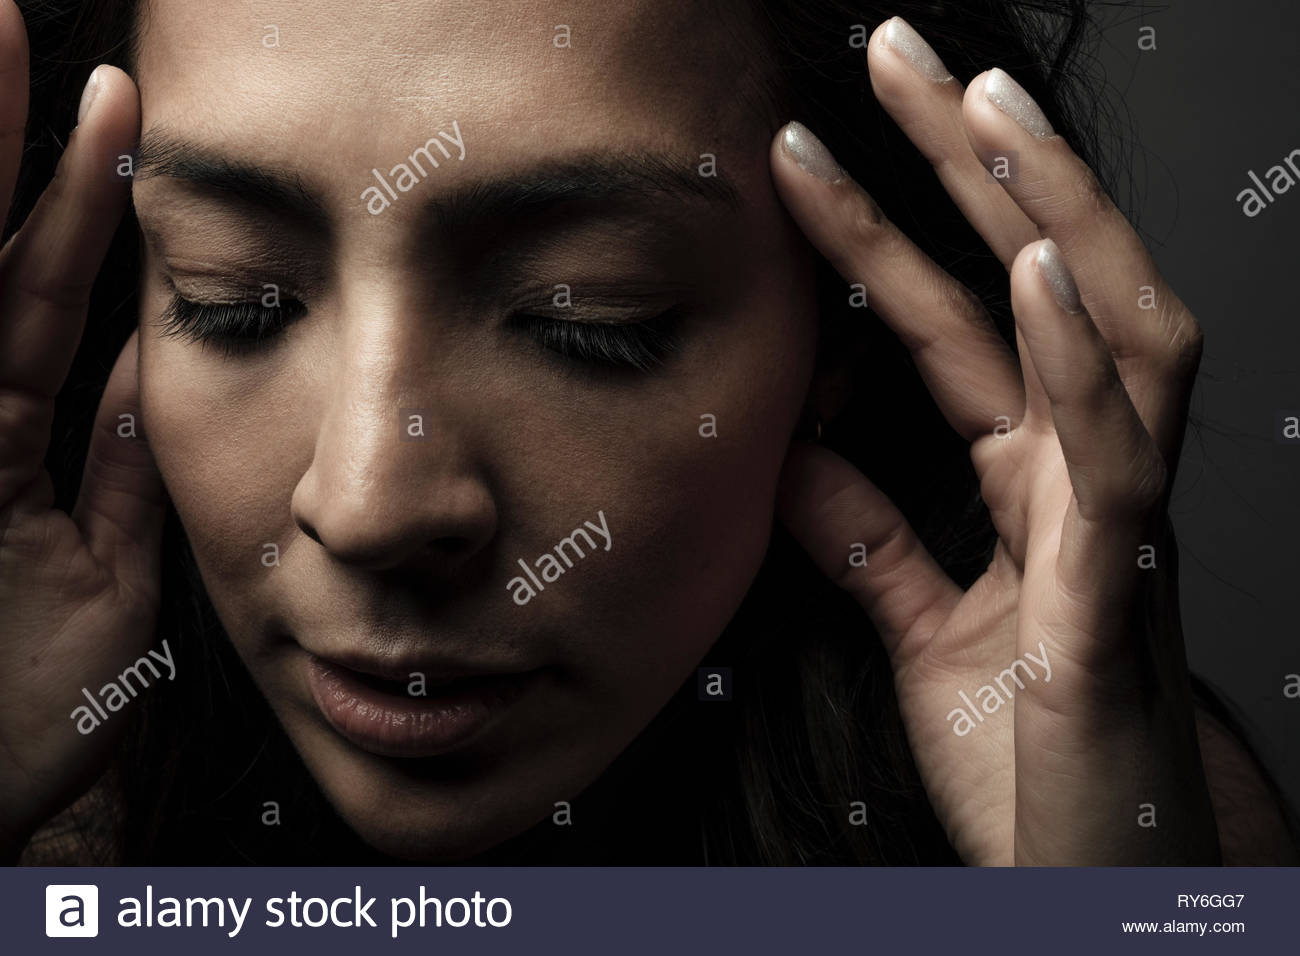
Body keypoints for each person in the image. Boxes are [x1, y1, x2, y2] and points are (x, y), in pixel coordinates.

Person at [2, 0, 1296, 865]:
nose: (368, 501)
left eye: (589, 319)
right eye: (237, 301)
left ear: (843, 329)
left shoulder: (1153, 844)